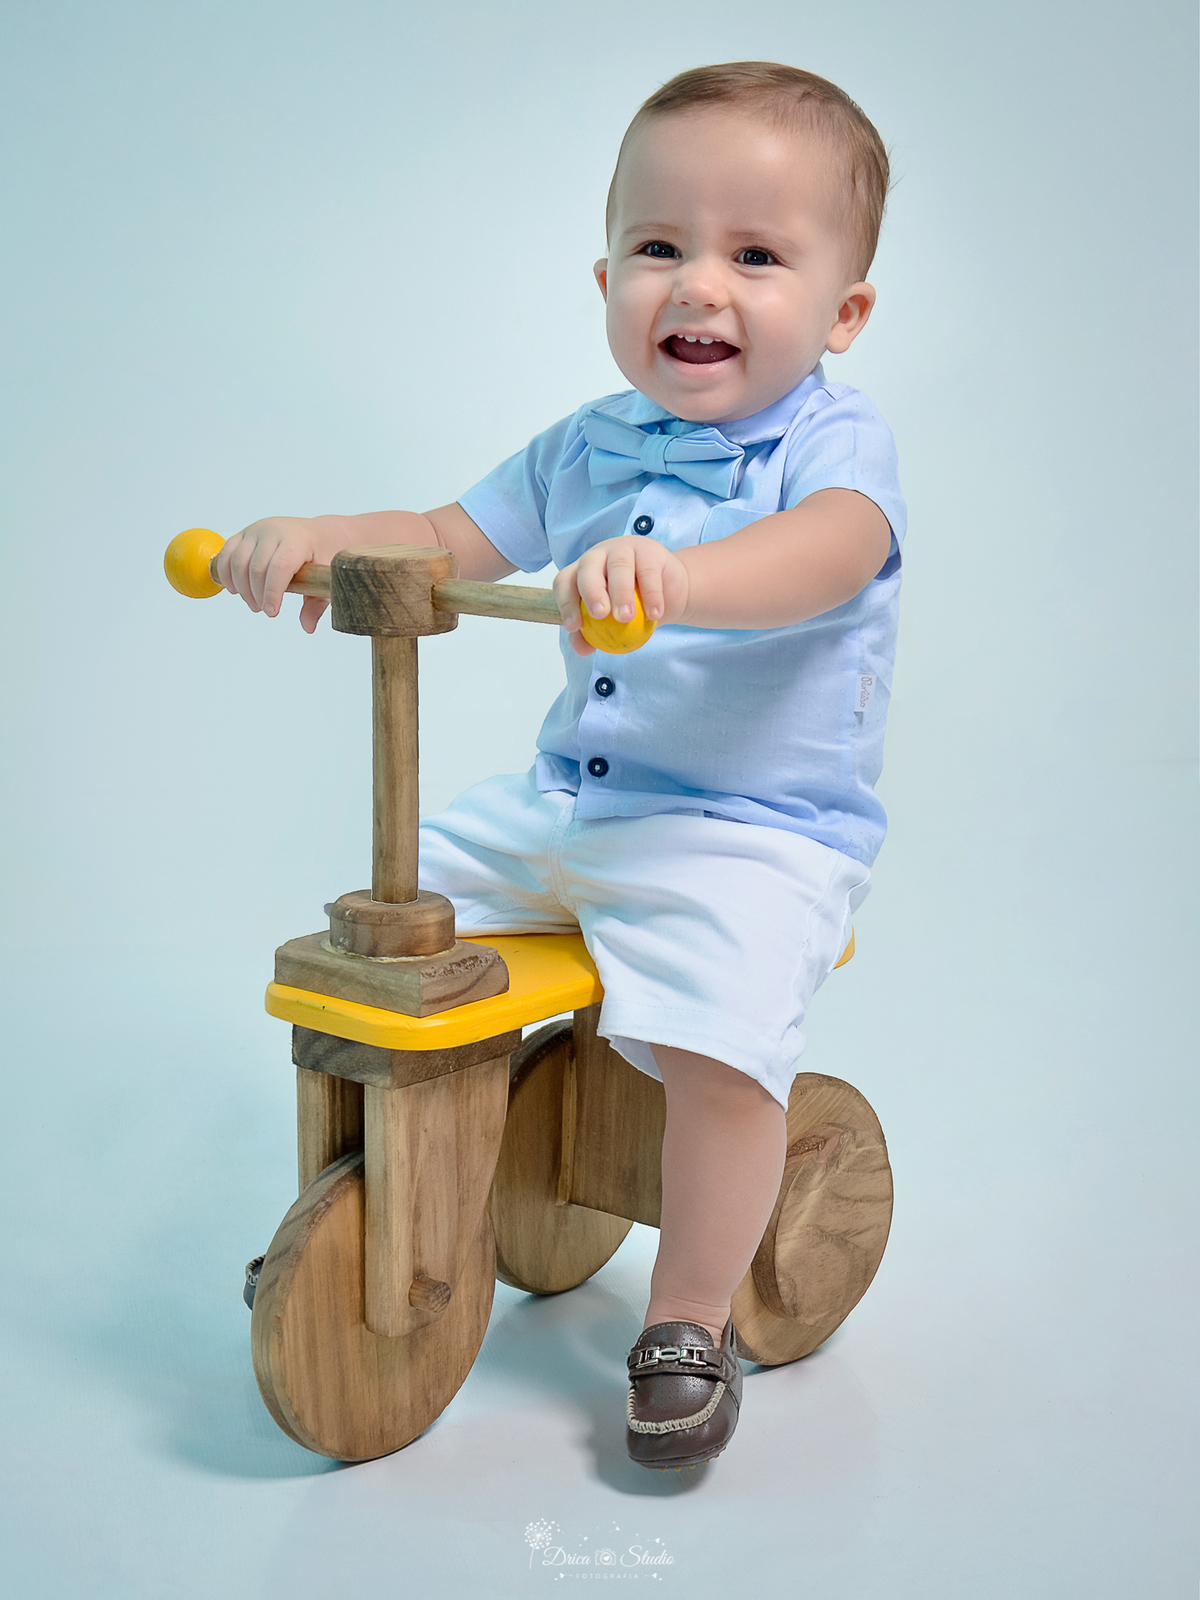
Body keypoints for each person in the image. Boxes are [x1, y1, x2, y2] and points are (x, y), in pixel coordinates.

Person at [217, 61, 904, 1471]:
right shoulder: (586, 444)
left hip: (751, 831)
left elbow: (827, 555)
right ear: (605, 276)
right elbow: (442, 533)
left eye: (755, 255)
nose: (698, 287)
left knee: (718, 1040)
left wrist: (684, 578)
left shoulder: (832, 447)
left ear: (843, 312)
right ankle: (388, 1204)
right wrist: (319, 536)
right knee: (384, 934)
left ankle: (693, 1316)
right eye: (660, 248)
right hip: (568, 816)